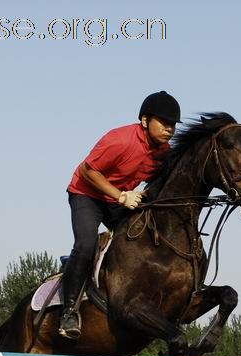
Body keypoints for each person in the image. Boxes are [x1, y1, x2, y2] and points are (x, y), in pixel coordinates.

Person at [58, 91, 181, 340]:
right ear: (145, 121)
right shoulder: (120, 140)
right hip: (87, 194)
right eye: (164, 123)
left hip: (118, 197)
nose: (170, 129)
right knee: (86, 244)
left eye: (173, 125)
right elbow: (88, 171)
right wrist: (121, 196)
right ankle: (69, 310)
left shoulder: (163, 152)